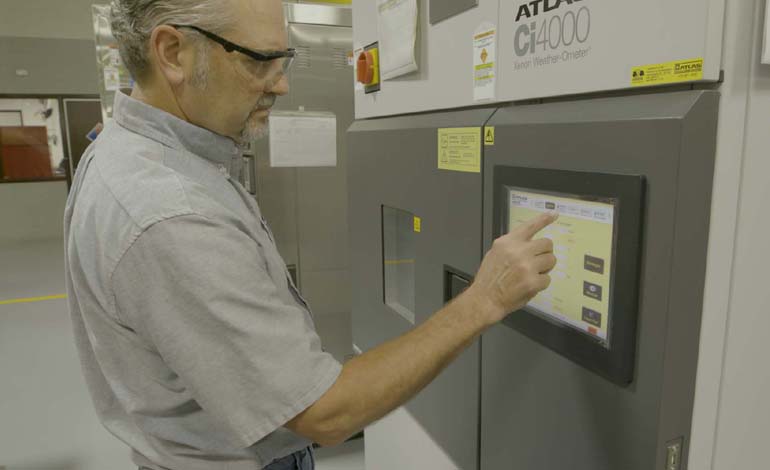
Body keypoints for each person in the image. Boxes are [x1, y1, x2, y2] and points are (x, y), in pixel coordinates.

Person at [63, 1, 558, 469]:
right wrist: (484, 299)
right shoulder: (172, 214)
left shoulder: (124, 152)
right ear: (173, 52)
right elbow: (325, 413)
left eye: (284, 60)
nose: (280, 85)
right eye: (260, 60)